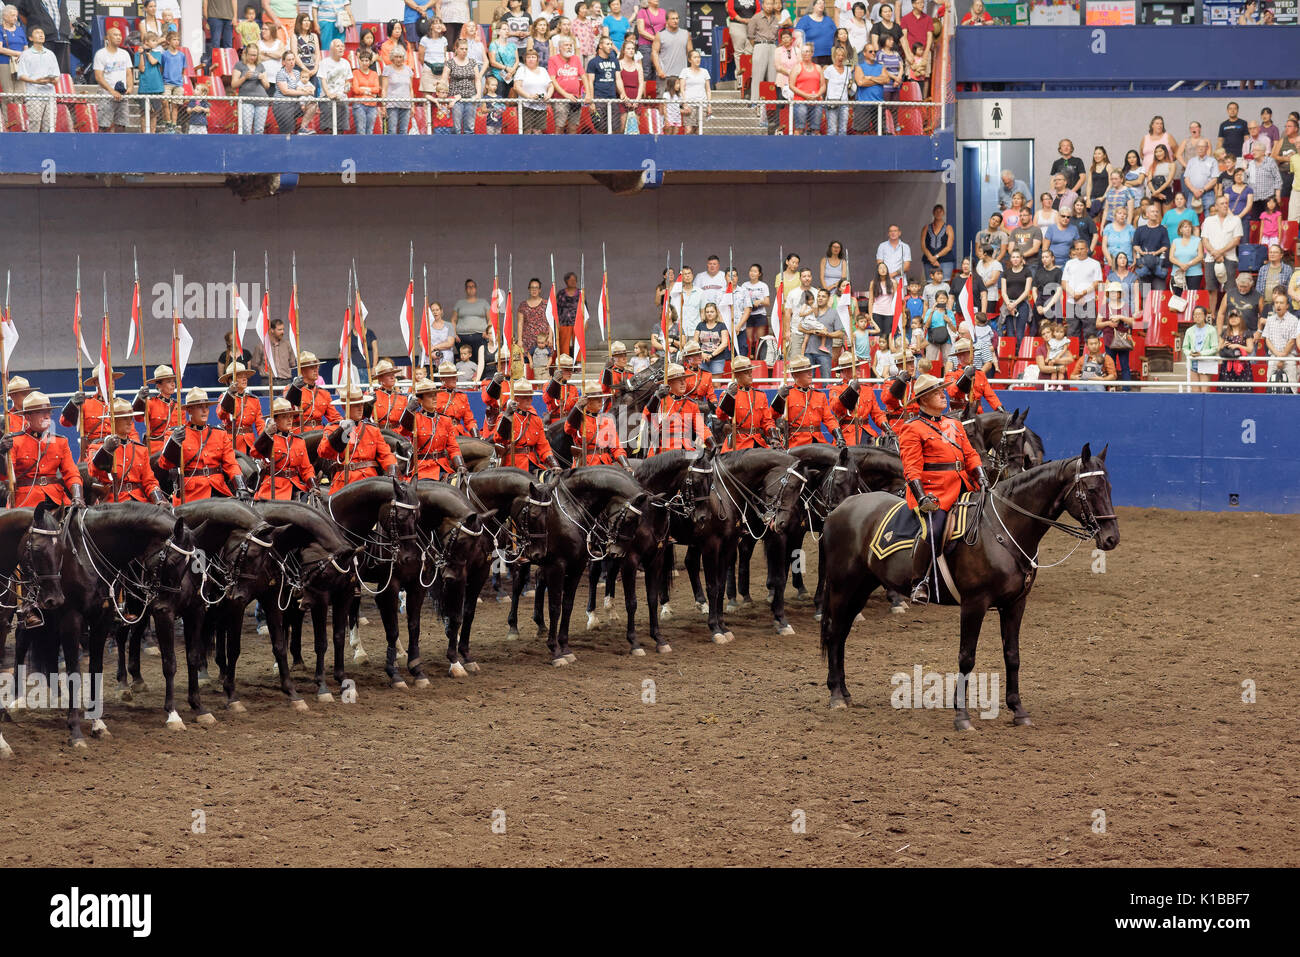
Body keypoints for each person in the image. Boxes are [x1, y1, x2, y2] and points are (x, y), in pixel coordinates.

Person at [899, 373, 985, 604]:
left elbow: (970, 455)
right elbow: (911, 468)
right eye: (936, 392)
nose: (942, 394)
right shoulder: (912, 428)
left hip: (964, 485)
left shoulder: (954, 424)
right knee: (933, 529)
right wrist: (921, 497)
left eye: (942, 390)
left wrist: (981, 474)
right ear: (923, 399)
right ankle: (919, 582)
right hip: (933, 492)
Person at [159, 388, 250, 502]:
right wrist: (174, 442)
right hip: (191, 495)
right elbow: (164, 464)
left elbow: (231, 464)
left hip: (219, 490)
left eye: (206, 407)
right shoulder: (175, 434)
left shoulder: (219, 434)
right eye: (199, 407)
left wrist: (241, 486)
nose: (204, 410)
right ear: (189, 410)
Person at [0, 391, 84, 508]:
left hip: (57, 499)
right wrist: (1, 454)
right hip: (26, 502)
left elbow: (71, 473)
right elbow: (6, 476)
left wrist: (78, 497)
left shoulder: (61, 442)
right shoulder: (14, 441)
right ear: (28, 417)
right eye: (41, 412)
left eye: (49, 411)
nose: (47, 416)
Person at [87, 398, 168, 505]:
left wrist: (158, 499)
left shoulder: (140, 449)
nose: (130, 422)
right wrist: (106, 450)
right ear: (113, 420)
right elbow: (93, 471)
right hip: (112, 503)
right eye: (125, 418)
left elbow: (149, 481)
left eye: (131, 417)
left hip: (138, 502)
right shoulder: (98, 447)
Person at [319, 386, 400, 487]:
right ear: (345, 407)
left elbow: (386, 455)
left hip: (370, 480)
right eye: (356, 405)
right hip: (346, 481)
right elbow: (324, 452)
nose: (360, 408)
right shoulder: (333, 428)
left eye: (362, 404)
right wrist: (340, 432)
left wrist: (392, 472)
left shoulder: (372, 430)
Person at [399, 378, 468, 480]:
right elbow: (403, 431)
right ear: (420, 400)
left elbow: (453, 447)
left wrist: (460, 465)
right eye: (430, 396)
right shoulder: (415, 419)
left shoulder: (445, 420)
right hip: (423, 469)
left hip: (443, 468)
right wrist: (408, 411)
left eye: (435, 395)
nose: (434, 399)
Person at [251, 397, 319, 500]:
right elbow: (254, 453)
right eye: (284, 417)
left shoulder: (299, 441)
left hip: (295, 486)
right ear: (275, 419)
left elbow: (306, 469)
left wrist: (313, 485)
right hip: (273, 488)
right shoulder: (269, 439)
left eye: (291, 416)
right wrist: (266, 434)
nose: (289, 420)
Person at [772, 355, 842, 448]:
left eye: (810, 370)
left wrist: (839, 436)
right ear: (795, 375)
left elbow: (829, 419)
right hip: (797, 443)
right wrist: (779, 397)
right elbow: (771, 416)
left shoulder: (820, 395)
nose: (810, 373)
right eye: (806, 372)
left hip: (818, 441)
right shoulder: (787, 394)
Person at [493, 379, 560, 470]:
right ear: (516, 398)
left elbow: (543, 447)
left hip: (532, 463)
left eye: (530, 397)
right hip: (512, 465)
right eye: (525, 397)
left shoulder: (535, 419)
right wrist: (507, 415)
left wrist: (554, 464)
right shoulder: (505, 417)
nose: (530, 400)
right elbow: (498, 439)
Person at [716, 356, 780, 451]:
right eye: (746, 373)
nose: (750, 375)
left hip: (758, 442)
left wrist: (774, 437)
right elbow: (720, 415)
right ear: (737, 375)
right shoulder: (728, 395)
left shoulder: (760, 395)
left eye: (751, 372)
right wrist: (729, 396)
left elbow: (767, 421)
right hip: (738, 443)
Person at [564, 389, 631, 470]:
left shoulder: (607, 421)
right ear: (587, 402)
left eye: (601, 398)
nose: (600, 401)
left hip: (605, 464)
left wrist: (626, 465)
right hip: (585, 464)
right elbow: (567, 429)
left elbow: (616, 448)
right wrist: (577, 407)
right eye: (596, 399)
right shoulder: (579, 420)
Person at [828, 352, 885, 445]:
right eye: (855, 367)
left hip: (867, 432)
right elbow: (836, 408)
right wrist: (850, 391)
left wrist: (886, 427)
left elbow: (877, 414)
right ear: (845, 370)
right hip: (848, 433)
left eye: (858, 367)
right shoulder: (836, 389)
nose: (859, 369)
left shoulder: (867, 389)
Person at [60, 365, 120, 454]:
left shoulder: (120, 404)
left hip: (116, 450)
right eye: (107, 378)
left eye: (113, 378)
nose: (112, 382)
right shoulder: (85, 403)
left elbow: (131, 432)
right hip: (93, 450)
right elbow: (64, 422)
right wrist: (73, 404)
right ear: (97, 383)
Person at [1201, 194, 1243, 312]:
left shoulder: (1235, 220)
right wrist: (1215, 253)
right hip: (1210, 258)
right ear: (1216, 206)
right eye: (1222, 204)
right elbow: (1204, 240)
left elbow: (1236, 240)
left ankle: (1229, 314)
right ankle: (1212, 315)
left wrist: (1219, 252)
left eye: (1226, 203)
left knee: (1230, 288)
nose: (1225, 205)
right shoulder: (1208, 220)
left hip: (1229, 258)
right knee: (1211, 288)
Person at [16, 26, 60, 133]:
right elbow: (21, 75)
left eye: (42, 33)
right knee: (34, 124)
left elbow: (57, 75)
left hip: (50, 96)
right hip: (33, 96)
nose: (41, 35)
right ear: (30, 38)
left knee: (50, 126)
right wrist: (36, 81)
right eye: (37, 33)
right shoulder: (25, 54)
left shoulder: (50, 54)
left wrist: (52, 80)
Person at [132, 364, 182, 457]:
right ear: (159, 385)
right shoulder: (150, 403)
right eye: (168, 381)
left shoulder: (178, 406)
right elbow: (138, 418)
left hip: (174, 447)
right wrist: (140, 399)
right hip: (156, 450)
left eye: (173, 381)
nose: (173, 384)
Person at [944, 338, 1003, 416]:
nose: (972, 355)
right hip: (958, 414)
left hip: (977, 414)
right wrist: (965, 376)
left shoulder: (980, 374)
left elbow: (990, 395)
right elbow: (952, 392)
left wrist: (1000, 408)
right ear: (958, 357)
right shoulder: (952, 374)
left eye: (971, 353)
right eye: (966, 353)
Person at [217, 361, 265, 455]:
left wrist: (264, 440)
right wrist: (230, 395)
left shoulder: (253, 400)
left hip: (249, 443)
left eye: (245, 376)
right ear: (231, 381)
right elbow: (221, 415)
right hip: (231, 443)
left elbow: (260, 423)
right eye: (240, 376)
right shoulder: (225, 397)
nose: (244, 379)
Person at [92, 27, 135, 134]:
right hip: (106, 94)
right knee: (103, 125)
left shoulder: (125, 54)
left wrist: (130, 87)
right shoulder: (100, 54)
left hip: (122, 94)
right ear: (108, 38)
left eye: (120, 35)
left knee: (121, 124)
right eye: (115, 35)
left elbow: (129, 73)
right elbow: (98, 76)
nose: (118, 37)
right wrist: (111, 91)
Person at [285, 351, 341, 432]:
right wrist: (294, 390)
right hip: (298, 434)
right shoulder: (290, 389)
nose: (316, 370)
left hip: (319, 434)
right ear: (302, 370)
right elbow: (287, 413)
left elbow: (335, 417)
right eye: (312, 367)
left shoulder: (324, 393)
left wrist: (343, 423)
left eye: (317, 366)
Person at [1096, 280, 1136, 386]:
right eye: (1111, 292)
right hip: (1108, 340)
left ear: (1119, 294)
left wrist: (1121, 317)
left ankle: (1126, 389)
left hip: (1122, 340)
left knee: (1125, 366)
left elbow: (1133, 323)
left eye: (1116, 292)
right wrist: (1109, 323)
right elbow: (1097, 324)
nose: (1113, 294)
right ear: (1109, 294)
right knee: (1110, 366)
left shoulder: (1125, 306)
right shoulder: (1104, 307)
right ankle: (1111, 389)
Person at [1061, 238, 1102, 341]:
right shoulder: (1069, 263)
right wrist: (1074, 295)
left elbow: (1097, 283)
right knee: (1072, 332)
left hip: (1088, 301)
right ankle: (1073, 355)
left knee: (1090, 332)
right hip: (1071, 301)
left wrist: (1082, 293)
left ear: (1087, 249)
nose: (1079, 251)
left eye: (1082, 249)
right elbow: (1064, 283)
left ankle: (1089, 356)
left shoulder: (1095, 263)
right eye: (1077, 249)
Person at [1260, 291, 1298, 391]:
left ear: (1287, 305)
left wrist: (1282, 358)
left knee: (1293, 386)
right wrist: (1277, 355)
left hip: (1289, 357)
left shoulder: (1294, 320)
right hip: (1273, 356)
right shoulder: (1270, 320)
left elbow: (1292, 341)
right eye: (1276, 303)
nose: (1278, 305)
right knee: (1269, 385)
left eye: (1281, 303)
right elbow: (1267, 339)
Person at [431, 361, 479, 436]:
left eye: (455, 376)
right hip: (442, 434)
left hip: (459, 433)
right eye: (451, 377)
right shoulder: (435, 396)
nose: (455, 379)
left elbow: (469, 420)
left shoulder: (462, 397)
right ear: (442, 378)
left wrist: (476, 436)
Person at [1217, 310, 1256, 390]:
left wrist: (1237, 346)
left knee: (1243, 392)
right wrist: (1223, 345)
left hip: (1242, 366)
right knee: (1227, 393)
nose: (1233, 319)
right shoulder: (1225, 332)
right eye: (1231, 317)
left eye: (1236, 316)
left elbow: (1250, 349)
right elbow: (1219, 348)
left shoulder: (1246, 332)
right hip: (1227, 366)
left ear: (1241, 318)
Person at [920, 205, 955, 281]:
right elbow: (923, 246)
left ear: (943, 213)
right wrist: (931, 258)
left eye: (940, 211)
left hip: (946, 260)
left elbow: (949, 247)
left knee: (944, 284)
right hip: (929, 261)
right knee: (930, 284)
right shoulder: (926, 228)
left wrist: (935, 257)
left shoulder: (948, 228)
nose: (938, 213)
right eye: (936, 211)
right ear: (933, 213)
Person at [1170, 217, 1204, 292]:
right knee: (1178, 299)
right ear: (1180, 230)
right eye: (1185, 227)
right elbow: (1171, 257)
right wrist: (1181, 265)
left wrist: (1188, 264)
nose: (1188, 229)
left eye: (1189, 227)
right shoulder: (1175, 241)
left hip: (1194, 274)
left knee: (1192, 298)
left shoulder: (1197, 240)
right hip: (1177, 274)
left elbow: (1200, 256)